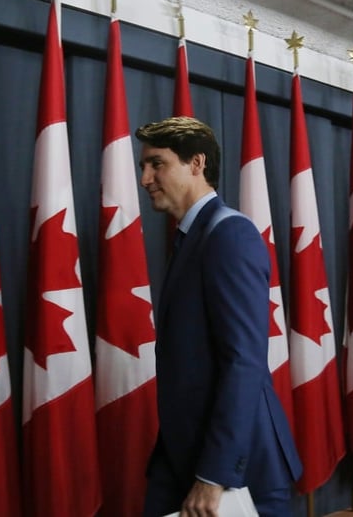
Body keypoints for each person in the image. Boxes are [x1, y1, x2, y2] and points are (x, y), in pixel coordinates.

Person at [135, 116, 302, 517]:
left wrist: (214, 475)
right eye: (144, 166)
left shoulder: (229, 234)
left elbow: (243, 361)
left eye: (156, 164)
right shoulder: (193, 237)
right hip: (184, 456)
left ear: (197, 164)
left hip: (237, 469)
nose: (145, 178)